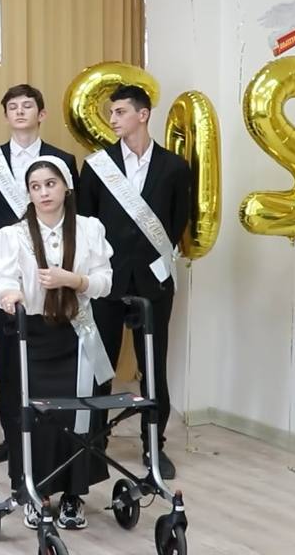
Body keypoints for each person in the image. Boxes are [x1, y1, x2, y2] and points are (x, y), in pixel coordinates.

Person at [0, 156, 114, 531]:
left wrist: (72, 280)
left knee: (79, 415)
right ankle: (36, 492)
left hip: (78, 332)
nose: (44, 192)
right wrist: (10, 296)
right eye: (36, 186)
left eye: (50, 183)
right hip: (34, 336)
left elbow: (104, 282)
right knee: (38, 417)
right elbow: (5, 282)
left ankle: (73, 495)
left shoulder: (90, 229)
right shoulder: (13, 235)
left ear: (66, 187)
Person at [77, 85, 191, 480]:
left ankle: (153, 444)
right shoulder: (97, 166)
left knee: (153, 365)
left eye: (121, 111)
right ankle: (95, 442)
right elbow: (86, 223)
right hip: (107, 281)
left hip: (152, 283)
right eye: (111, 112)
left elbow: (176, 223)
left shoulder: (174, 167)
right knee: (100, 364)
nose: (113, 119)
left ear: (143, 115)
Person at [0, 85, 78, 465]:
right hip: (8, 275)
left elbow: (73, 217)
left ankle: (57, 436)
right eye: (13, 107)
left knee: (55, 355)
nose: (20, 112)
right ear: (5, 116)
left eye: (27, 106)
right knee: (9, 359)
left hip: (56, 275)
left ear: (41, 114)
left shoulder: (63, 160)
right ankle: (13, 437)